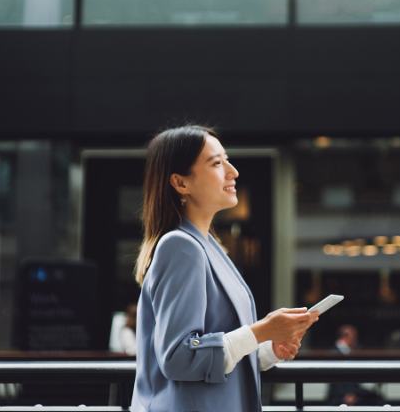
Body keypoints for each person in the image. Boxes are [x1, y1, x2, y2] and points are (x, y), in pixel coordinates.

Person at [130, 125, 319, 412]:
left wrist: (268, 349)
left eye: (226, 160)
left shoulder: (210, 246)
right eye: (217, 163)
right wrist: (261, 331)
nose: (233, 172)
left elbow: (216, 353)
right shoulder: (182, 247)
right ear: (181, 183)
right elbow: (179, 357)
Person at [327, 325, 381, 406]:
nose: (355, 339)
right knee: (375, 400)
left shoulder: (350, 350)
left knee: (376, 397)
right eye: (354, 336)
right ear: (345, 336)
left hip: (354, 391)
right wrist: (348, 393)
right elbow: (337, 378)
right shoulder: (334, 353)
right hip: (340, 395)